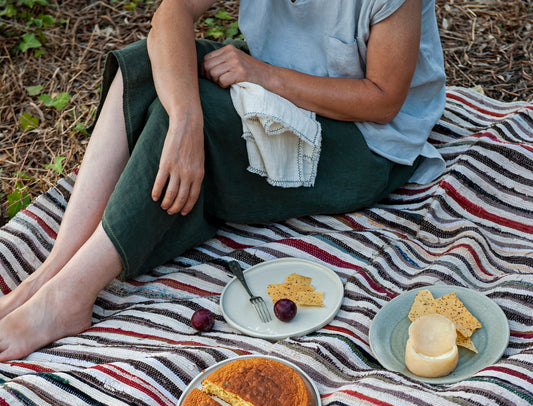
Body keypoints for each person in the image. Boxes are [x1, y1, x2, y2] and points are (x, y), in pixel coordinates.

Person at [0, 0, 446, 362]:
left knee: (193, 118)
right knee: (151, 66)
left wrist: (262, 75)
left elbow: (382, 101)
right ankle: (52, 272)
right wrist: (185, 120)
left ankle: (67, 299)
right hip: (279, 95)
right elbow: (172, 13)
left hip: (365, 144)